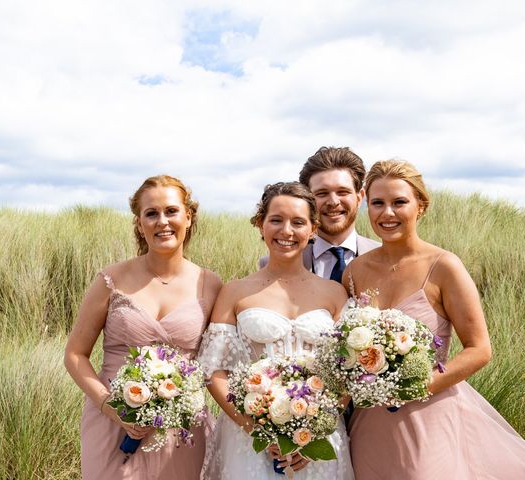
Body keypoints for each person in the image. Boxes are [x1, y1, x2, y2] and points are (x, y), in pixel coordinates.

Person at [345, 160, 525, 480]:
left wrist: (418, 386)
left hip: (429, 415)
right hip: (370, 422)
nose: (387, 213)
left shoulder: (444, 266)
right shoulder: (354, 271)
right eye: (378, 203)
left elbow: (479, 348)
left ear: (421, 206)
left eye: (399, 202)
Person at [64, 175, 222, 480]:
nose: (162, 221)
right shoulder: (111, 280)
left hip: (181, 428)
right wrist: (110, 406)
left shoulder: (211, 284)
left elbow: (218, 363)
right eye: (151, 214)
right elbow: (75, 355)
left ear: (188, 217)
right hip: (112, 422)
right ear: (139, 223)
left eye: (171, 211)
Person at [197, 182, 355, 479]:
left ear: (312, 229)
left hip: (320, 439)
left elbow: (347, 371)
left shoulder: (334, 293)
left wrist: (314, 431)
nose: (287, 231)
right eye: (276, 220)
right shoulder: (234, 292)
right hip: (251, 442)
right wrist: (257, 430)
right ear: (260, 225)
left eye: (298, 222)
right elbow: (214, 372)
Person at [260, 146, 380, 279]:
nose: (333, 202)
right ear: (307, 200)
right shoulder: (270, 264)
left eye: (342, 192)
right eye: (322, 193)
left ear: (359, 197)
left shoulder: (386, 258)